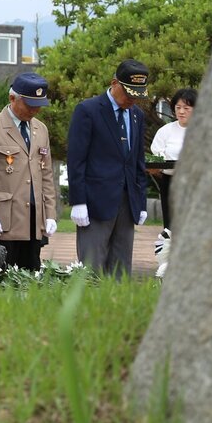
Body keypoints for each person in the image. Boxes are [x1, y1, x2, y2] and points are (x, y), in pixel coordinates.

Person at [67, 59, 150, 277]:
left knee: (121, 267)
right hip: (95, 201)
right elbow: (76, 160)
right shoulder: (88, 110)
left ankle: (116, 309)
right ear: (114, 83)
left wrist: (140, 201)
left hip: (126, 201)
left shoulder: (136, 115)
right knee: (92, 266)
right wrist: (78, 201)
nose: (133, 99)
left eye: (137, 95)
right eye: (129, 93)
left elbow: (137, 162)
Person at [0, 72, 57, 272]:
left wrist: (50, 214)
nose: (35, 110)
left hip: (33, 220)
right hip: (4, 218)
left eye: (39, 104)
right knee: (0, 278)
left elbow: (46, 173)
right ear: (12, 98)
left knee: (30, 278)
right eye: (30, 104)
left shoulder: (41, 129)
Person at [150, 87, 196, 235]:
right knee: (171, 225)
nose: (181, 112)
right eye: (178, 107)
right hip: (170, 182)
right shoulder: (165, 131)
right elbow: (157, 153)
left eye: (186, 108)